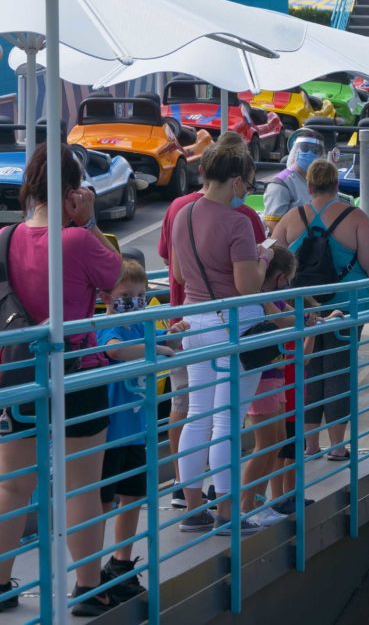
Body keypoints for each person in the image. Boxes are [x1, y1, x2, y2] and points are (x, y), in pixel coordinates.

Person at [0, 143, 122, 616]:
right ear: (74, 191)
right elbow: (115, 277)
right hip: (78, 374)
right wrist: (88, 221)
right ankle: (89, 589)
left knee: (12, 486)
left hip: (20, 373)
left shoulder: (7, 238)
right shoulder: (76, 239)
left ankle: (2, 581)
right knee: (81, 485)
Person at [170, 135, 273, 535]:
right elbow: (248, 285)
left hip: (195, 324)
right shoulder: (236, 222)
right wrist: (263, 257)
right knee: (228, 422)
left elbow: (178, 275)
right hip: (236, 325)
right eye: (246, 185)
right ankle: (229, 513)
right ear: (235, 181)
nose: (246, 192)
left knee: (198, 415)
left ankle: (192, 507)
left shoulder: (184, 215)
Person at [273, 159, 369, 460]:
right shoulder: (356, 218)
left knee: (308, 371)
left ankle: (311, 444)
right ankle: (337, 444)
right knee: (339, 371)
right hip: (348, 305)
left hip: (303, 306)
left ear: (308, 186)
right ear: (337, 185)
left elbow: (275, 266)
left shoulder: (291, 218)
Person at [96, 259, 187, 605]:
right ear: (107, 296)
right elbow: (114, 349)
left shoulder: (141, 326)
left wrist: (172, 334)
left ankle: (121, 561)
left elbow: (161, 337)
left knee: (133, 496)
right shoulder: (110, 325)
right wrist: (157, 348)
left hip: (137, 431)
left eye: (139, 294)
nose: (133, 300)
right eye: (125, 294)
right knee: (103, 502)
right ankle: (91, 567)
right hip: (111, 432)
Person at [241, 244, 297, 528]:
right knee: (264, 443)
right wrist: (303, 319)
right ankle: (245, 504)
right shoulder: (262, 299)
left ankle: (258, 501)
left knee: (275, 439)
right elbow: (286, 319)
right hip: (261, 378)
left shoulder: (270, 297)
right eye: (287, 279)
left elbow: (290, 312)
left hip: (272, 374)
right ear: (279, 277)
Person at [262, 126, 333, 235]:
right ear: (295, 150)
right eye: (305, 148)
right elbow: (273, 226)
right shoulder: (281, 184)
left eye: (315, 150)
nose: (310, 153)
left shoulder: (319, 181)